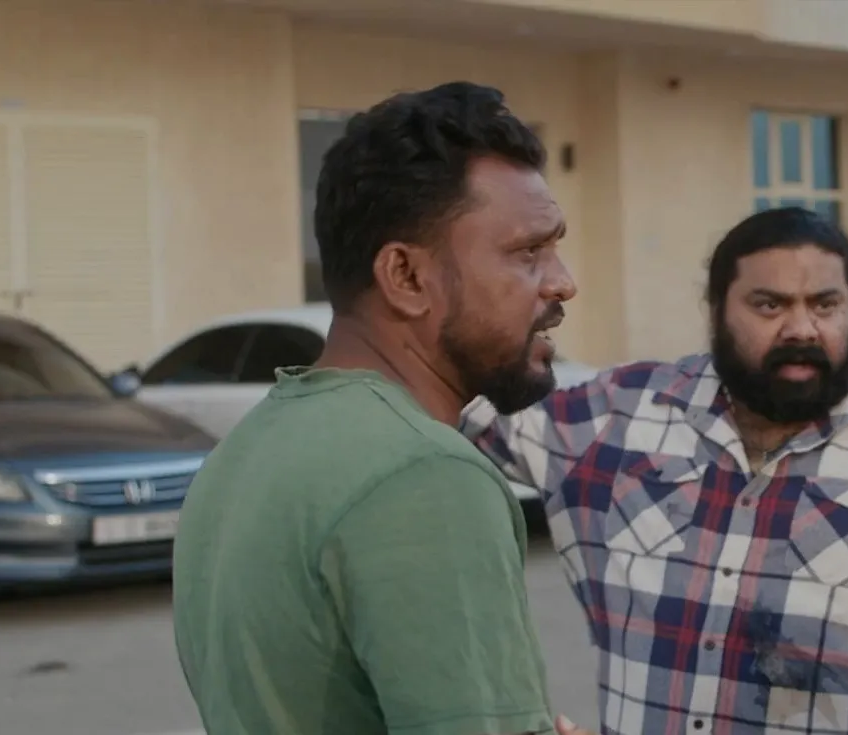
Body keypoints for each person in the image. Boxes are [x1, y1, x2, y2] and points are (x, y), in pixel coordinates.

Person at [460, 206, 848, 735]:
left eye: (825, 304)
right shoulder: (616, 416)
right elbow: (459, 403)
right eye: (769, 305)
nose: (802, 328)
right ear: (718, 310)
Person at [173, 81, 590, 735]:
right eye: (528, 252)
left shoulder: (247, 449)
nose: (563, 282)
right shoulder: (425, 472)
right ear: (406, 276)